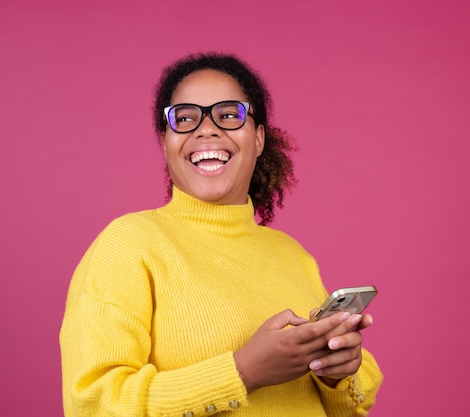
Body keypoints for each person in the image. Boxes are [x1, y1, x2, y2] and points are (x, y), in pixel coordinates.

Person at [59, 52, 383, 417]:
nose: (207, 129)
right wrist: (244, 372)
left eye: (229, 115)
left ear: (258, 138)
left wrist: (335, 373)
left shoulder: (293, 255)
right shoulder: (128, 244)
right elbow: (93, 405)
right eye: (185, 118)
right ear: (165, 142)